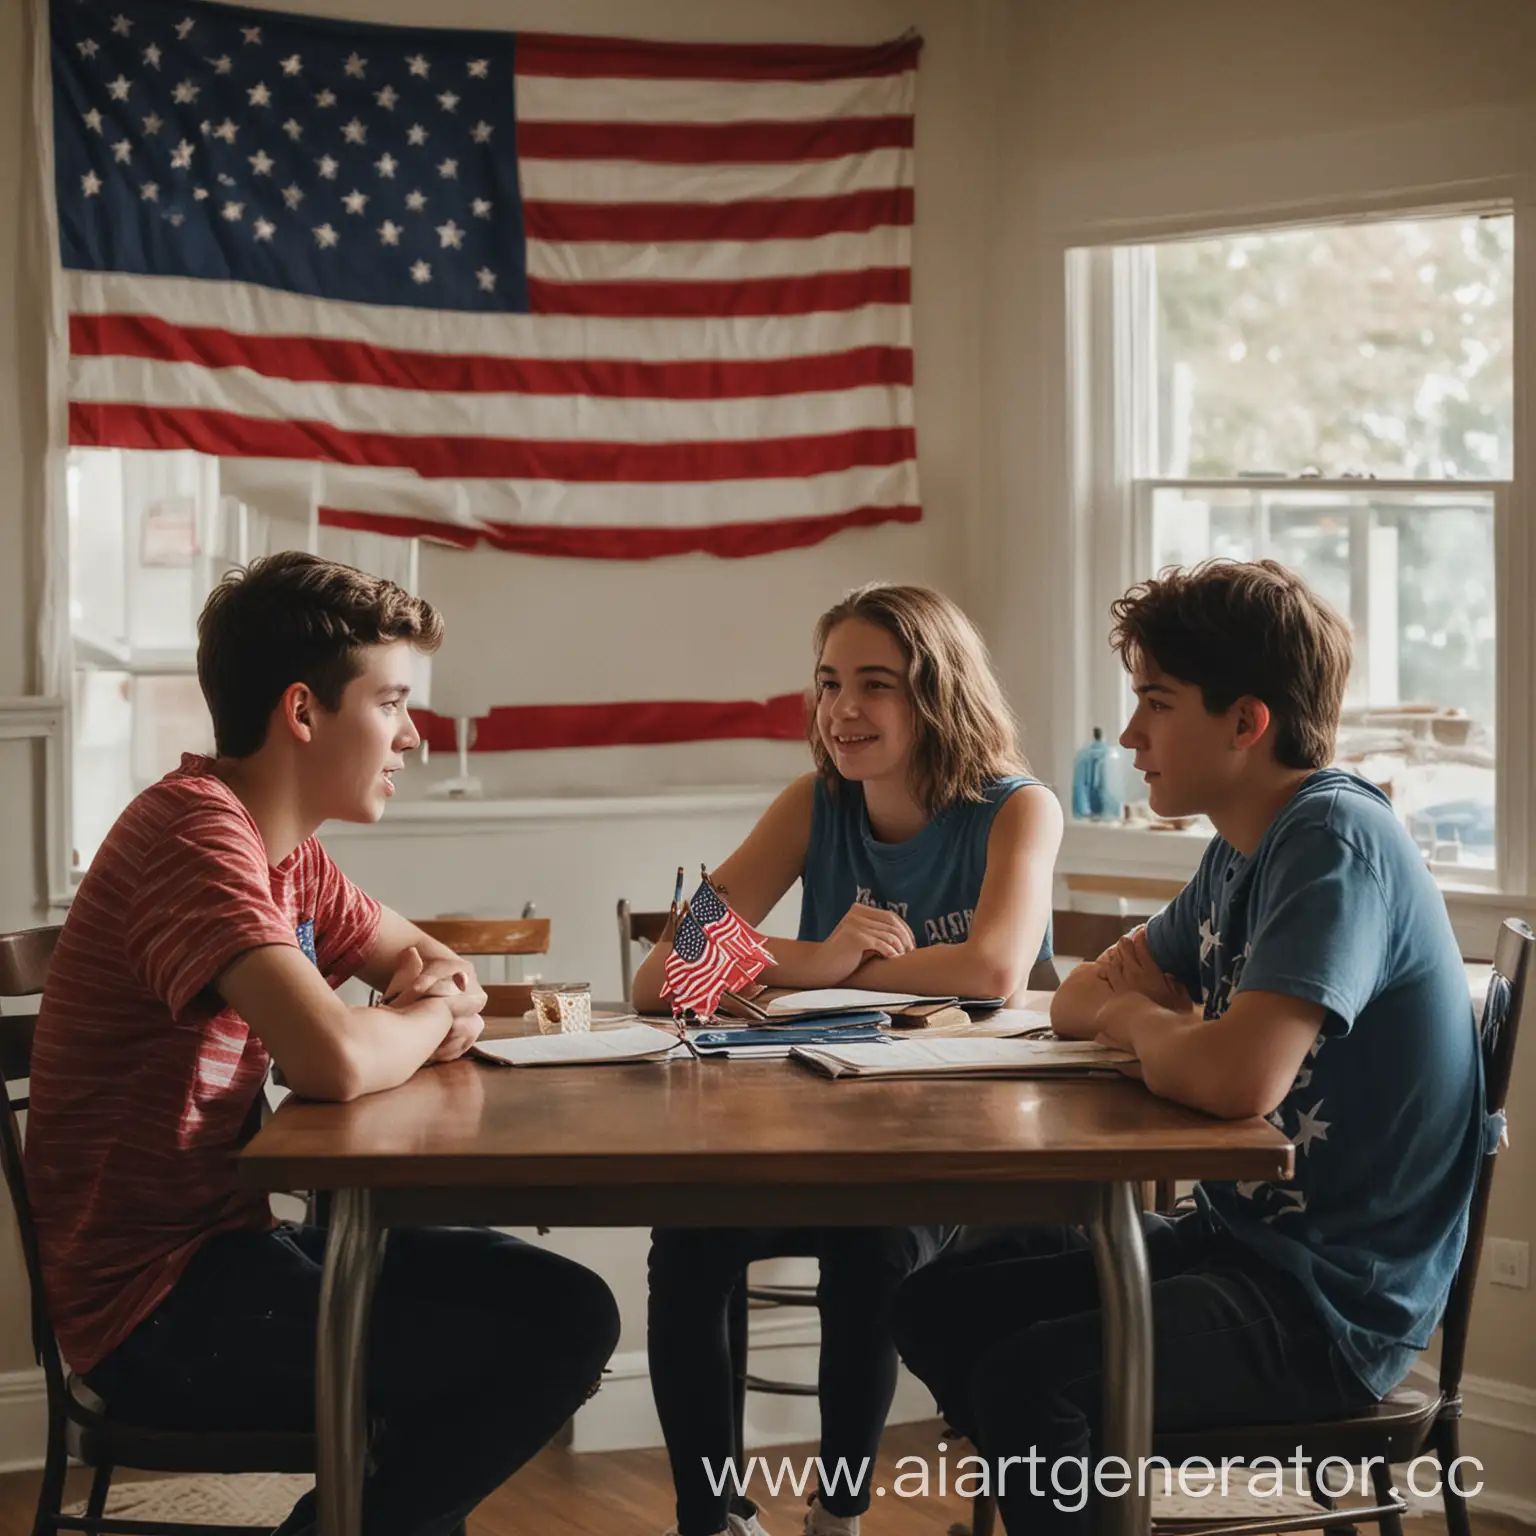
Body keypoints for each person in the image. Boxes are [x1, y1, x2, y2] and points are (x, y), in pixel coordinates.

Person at [24, 551, 620, 1536]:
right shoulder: (194, 837)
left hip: (239, 1250)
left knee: (565, 1308)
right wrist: (423, 1018)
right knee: (521, 1352)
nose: (413, 739)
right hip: (155, 1311)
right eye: (391, 704)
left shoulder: (285, 853)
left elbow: (434, 967)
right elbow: (335, 1062)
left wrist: (421, 1007)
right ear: (303, 713)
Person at [891, 559, 1488, 1536]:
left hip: (1331, 1305)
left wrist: (1147, 1023)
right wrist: (1157, 1026)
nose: (1130, 736)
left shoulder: (1331, 841)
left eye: (1156, 705)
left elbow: (1232, 1080)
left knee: (1028, 1382)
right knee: (937, 1306)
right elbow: (1075, 999)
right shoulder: (1240, 848)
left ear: (1246, 722)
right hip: (1241, 1245)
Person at [633, 583, 1063, 1536]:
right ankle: (713, 1519)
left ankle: (841, 1515)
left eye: (878, 685)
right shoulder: (814, 802)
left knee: (869, 1245)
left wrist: (769, 968)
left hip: (975, 1151)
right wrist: (822, 957)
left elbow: (993, 968)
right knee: (689, 1237)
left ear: (938, 693)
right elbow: (660, 977)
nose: (844, 711)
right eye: (829, 683)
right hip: (817, 1124)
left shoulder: (1018, 809)